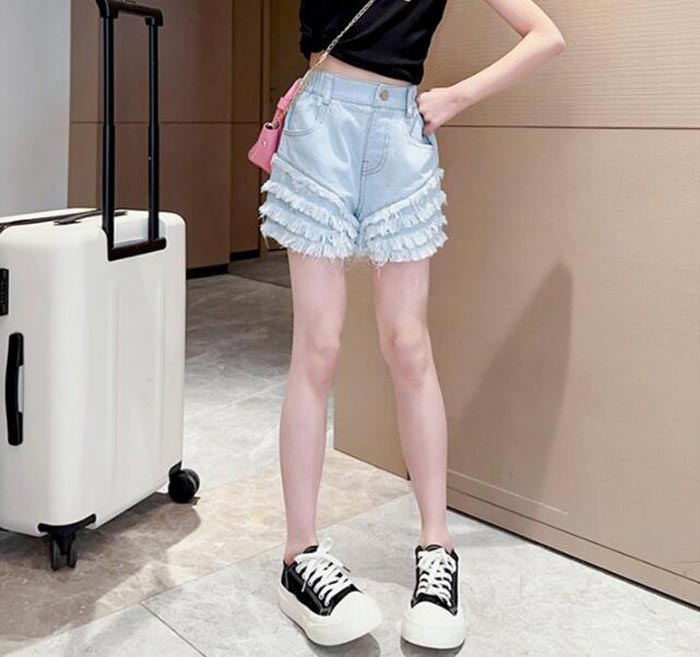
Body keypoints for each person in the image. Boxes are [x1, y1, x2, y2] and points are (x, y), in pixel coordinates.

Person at [258, 0, 565, 649]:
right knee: (318, 346)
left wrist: (456, 96)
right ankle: (299, 553)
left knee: (408, 344)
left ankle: (436, 546)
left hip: (400, 135)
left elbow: (546, 36)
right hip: (320, 126)